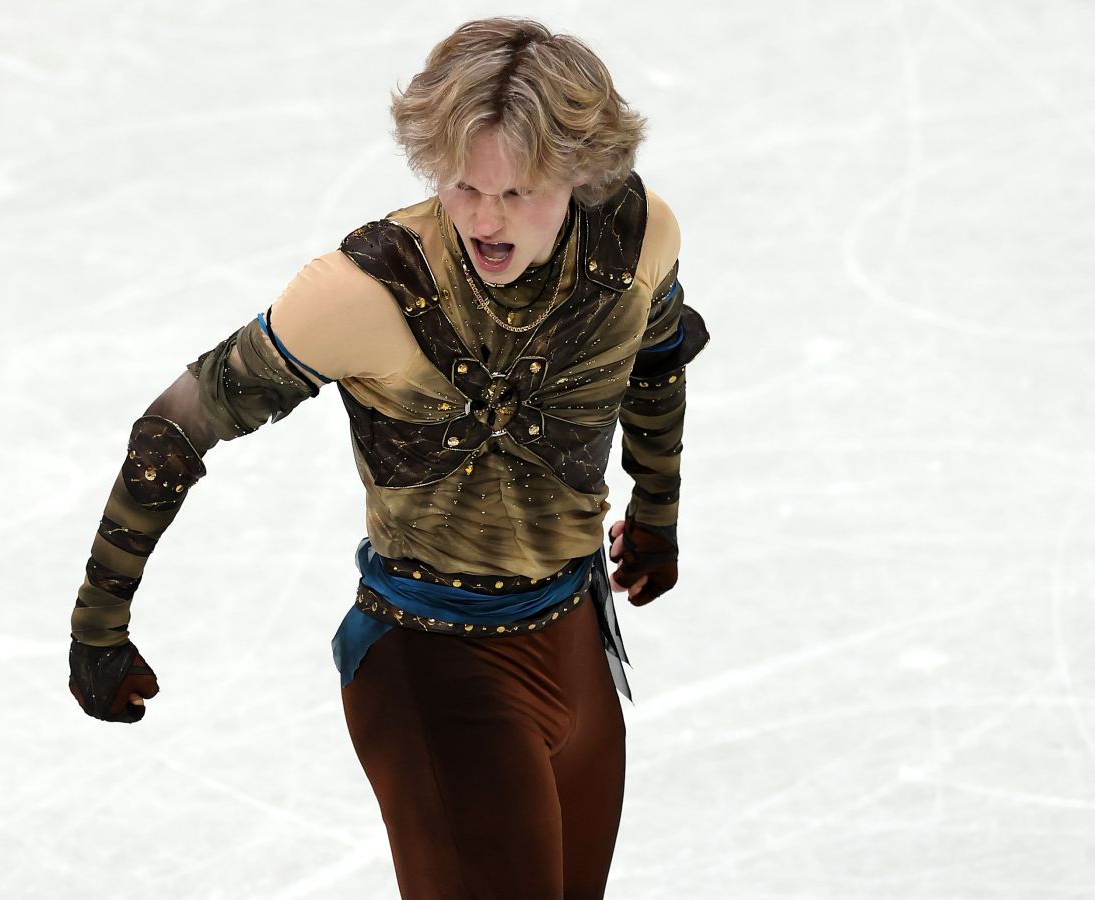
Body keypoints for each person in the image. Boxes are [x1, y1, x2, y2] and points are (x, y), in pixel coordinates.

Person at [66, 16, 708, 900]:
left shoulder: (638, 236)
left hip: (576, 642)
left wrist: (658, 514)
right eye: (463, 184)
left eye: (517, 191)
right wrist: (98, 625)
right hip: (434, 662)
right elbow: (174, 430)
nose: (485, 218)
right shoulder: (365, 291)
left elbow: (657, 360)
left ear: (582, 173)